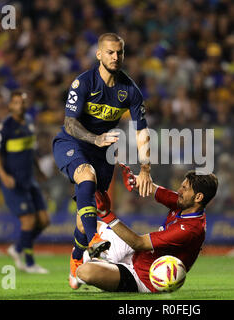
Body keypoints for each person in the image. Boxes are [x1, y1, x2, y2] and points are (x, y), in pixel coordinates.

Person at [52, 33, 154, 288]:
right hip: (72, 142)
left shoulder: (130, 90)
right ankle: (94, 241)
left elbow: (141, 130)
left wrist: (145, 168)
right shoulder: (83, 83)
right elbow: (69, 122)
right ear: (99, 54)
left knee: (87, 211)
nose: (115, 57)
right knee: (86, 175)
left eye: (119, 53)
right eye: (110, 52)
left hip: (102, 152)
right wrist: (94, 139)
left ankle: (76, 261)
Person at [70, 165, 218, 293]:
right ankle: (82, 258)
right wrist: (135, 181)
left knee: (85, 272)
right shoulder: (184, 205)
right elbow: (154, 189)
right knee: (86, 221)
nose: (179, 190)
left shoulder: (190, 229)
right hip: (137, 254)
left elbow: (139, 243)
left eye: (184, 188)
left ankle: (98, 263)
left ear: (198, 197)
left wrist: (106, 214)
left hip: (144, 277)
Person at [0, 90, 50, 274]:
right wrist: (3, 175)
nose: (20, 106)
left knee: (44, 220)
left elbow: (29, 150)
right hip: (13, 182)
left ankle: (17, 248)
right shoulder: (5, 127)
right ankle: (29, 263)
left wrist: (39, 169)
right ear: (10, 106)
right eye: (16, 103)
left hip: (29, 179)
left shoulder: (30, 123)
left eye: (23, 102)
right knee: (29, 221)